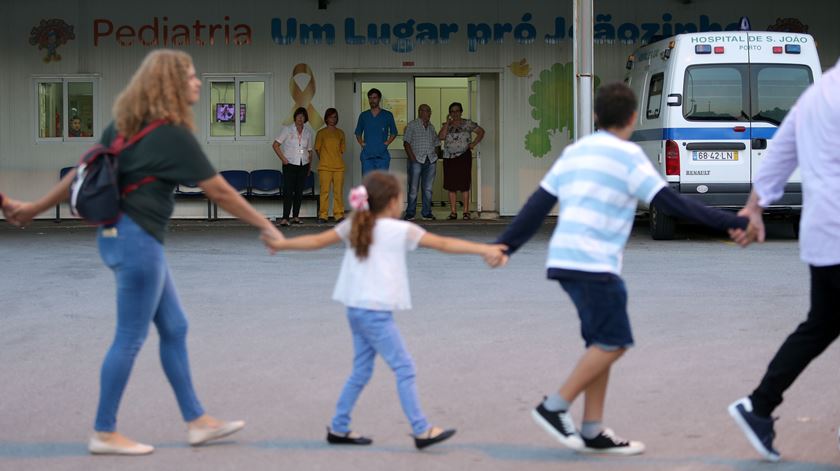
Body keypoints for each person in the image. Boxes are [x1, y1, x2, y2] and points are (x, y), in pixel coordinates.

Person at [7, 49, 285, 456]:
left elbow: (79, 174)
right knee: (130, 338)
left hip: (120, 237)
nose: (198, 82)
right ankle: (104, 431)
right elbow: (220, 190)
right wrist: (265, 223)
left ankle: (196, 421)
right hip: (137, 242)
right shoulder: (172, 135)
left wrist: (31, 208)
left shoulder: (122, 127)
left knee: (175, 327)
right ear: (171, 84)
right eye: (190, 76)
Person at [494, 83, 750, 455]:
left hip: (565, 260)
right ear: (633, 117)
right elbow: (672, 204)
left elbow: (538, 203)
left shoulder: (575, 151)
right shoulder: (629, 156)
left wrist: (507, 246)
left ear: (596, 117)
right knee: (614, 342)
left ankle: (593, 429)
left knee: (599, 343)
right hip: (594, 264)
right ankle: (554, 407)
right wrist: (735, 222)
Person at [261, 171, 507, 450]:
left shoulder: (355, 224)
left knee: (362, 371)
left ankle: (340, 428)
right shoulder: (398, 230)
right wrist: (484, 248)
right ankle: (421, 429)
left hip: (356, 309)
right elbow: (444, 244)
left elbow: (316, 241)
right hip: (374, 312)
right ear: (392, 202)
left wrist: (282, 244)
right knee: (404, 367)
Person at [727, 59, 840, 462]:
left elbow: (779, 152)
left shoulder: (816, 94)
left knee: (821, 325)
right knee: (819, 326)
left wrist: (753, 208)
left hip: (823, 236)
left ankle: (758, 406)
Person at [438, 102, 484, 220]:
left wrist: (473, 143)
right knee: (450, 185)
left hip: (464, 156)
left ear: (461, 111)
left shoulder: (467, 123)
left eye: (457, 111)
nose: (455, 113)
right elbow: (441, 137)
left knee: (464, 184)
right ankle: (453, 212)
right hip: (449, 157)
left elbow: (481, 132)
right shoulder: (446, 124)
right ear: (449, 113)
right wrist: (447, 123)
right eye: (452, 111)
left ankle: (465, 211)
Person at [273, 107, 314, 226]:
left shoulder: (308, 133)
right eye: (298, 116)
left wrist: (309, 167)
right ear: (295, 117)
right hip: (290, 164)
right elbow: (275, 145)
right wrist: (284, 159)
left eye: (303, 116)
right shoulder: (287, 129)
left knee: (299, 192)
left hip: (303, 164)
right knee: (288, 191)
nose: (300, 118)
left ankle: (296, 216)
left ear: (305, 119)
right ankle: (285, 218)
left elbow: (310, 151)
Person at [403, 104, 440, 221]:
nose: (429, 113)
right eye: (426, 111)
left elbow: (437, 143)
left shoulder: (432, 127)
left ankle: (426, 213)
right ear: (420, 112)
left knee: (428, 189)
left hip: (430, 161)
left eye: (429, 111)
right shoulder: (412, 125)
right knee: (413, 189)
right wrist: (412, 158)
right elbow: (406, 143)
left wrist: (436, 156)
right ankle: (410, 213)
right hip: (416, 160)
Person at [355, 88, 397, 175]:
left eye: (374, 98)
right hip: (367, 156)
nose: (372, 100)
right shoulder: (364, 115)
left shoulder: (387, 115)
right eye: (370, 98)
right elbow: (358, 132)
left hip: (382, 156)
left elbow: (394, 132)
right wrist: (362, 143)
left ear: (379, 99)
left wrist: (386, 143)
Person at [315, 107, 346, 223]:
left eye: (335, 117)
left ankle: (339, 215)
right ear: (326, 118)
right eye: (330, 117)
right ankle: (323, 215)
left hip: (339, 167)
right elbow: (317, 149)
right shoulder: (321, 133)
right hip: (324, 167)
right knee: (325, 192)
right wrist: (324, 159)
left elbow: (342, 150)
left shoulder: (341, 133)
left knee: (338, 192)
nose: (332, 119)